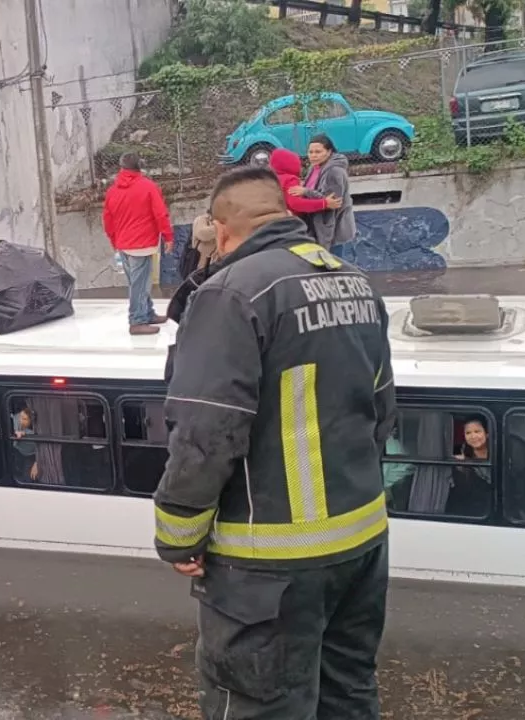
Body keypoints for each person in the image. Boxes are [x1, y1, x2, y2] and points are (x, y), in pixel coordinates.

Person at [153, 166, 396, 720]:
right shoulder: (353, 280)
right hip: (361, 546)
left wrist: (180, 535)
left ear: (220, 229)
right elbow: (383, 413)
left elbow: (206, 431)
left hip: (270, 569)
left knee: (258, 708)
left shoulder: (230, 294)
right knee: (348, 694)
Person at [102, 152, 173, 335]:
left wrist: (114, 240)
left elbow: (108, 219)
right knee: (140, 285)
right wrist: (168, 237)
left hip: (123, 244)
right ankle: (137, 320)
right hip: (142, 244)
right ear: (139, 167)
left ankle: (147, 313)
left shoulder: (113, 191)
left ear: (122, 167)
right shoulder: (148, 187)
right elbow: (160, 214)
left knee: (137, 282)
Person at [291, 135, 356, 250]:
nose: (313, 156)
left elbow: (333, 202)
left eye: (318, 152)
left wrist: (305, 191)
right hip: (318, 229)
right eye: (310, 152)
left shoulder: (334, 171)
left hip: (334, 232)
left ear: (329, 152)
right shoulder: (314, 168)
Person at [268, 147, 341, 228]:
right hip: (292, 224)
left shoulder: (273, 178)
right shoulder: (290, 179)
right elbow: (296, 203)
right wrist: (324, 203)